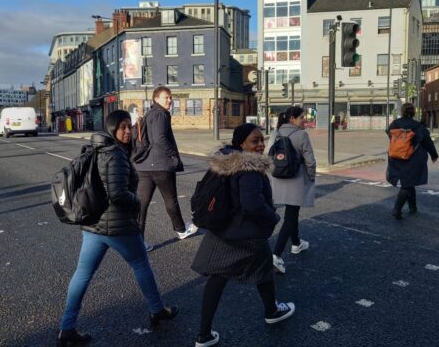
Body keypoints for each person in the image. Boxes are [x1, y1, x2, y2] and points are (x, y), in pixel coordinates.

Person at [57, 110, 178, 346]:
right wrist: (137, 202)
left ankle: (67, 327)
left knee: (82, 274)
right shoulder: (115, 156)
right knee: (141, 264)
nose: (127, 131)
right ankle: (156, 310)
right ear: (111, 128)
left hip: (92, 225)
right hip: (118, 227)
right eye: (121, 126)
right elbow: (118, 194)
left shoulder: (93, 149)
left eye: (129, 126)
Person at [191, 123, 295, 347]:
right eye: (254, 141)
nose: (260, 145)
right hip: (246, 233)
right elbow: (252, 204)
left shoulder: (225, 162)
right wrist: (273, 217)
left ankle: (204, 334)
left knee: (219, 277)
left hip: (223, 229)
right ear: (241, 144)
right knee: (264, 269)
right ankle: (272, 311)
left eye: (261, 140)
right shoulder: (249, 169)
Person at [135, 86, 198, 251]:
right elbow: (160, 139)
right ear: (156, 99)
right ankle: (181, 230)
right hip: (161, 166)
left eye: (170, 97)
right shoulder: (160, 114)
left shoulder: (149, 114)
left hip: (144, 166)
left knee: (141, 205)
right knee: (170, 200)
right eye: (166, 98)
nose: (170, 100)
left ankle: (138, 242)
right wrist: (173, 156)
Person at [267, 106, 316, 274]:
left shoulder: (275, 134)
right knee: (291, 214)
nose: (304, 120)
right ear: (292, 119)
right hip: (296, 179)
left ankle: (296, 244)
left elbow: (268, 155)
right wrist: (311, 177)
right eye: (302, 117)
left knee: (292, 212)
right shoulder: (302, 135)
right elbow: (310, 161)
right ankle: (276, 255)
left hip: (278, 178)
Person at [386, 103, 439, 219]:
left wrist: (400, 142)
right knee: (407, 184)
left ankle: (412, 207)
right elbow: (427, 142)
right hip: (413, 159)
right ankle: (397, 210)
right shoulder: (419, 126)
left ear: (402, 111)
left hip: (396, 157)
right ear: (414, 112)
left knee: (409, 182)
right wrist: (434, 155)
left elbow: (389, 133)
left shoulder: (395, 124)